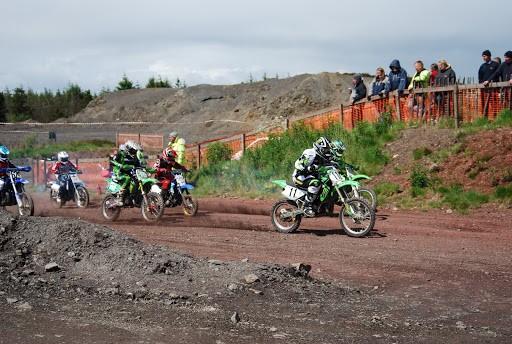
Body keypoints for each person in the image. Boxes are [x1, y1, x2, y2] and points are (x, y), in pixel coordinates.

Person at [292, 136, 332, 216]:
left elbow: (329, 163)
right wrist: (309, 168)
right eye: (325, 149)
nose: (327, 152)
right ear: (319, 148)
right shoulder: (310, 153)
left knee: (327, 182)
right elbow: (298, 164)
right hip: (300, 177)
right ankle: (307, 206)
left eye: (328, 150)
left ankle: (323, 205)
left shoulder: (321, 156)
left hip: (311, 177)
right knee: (315, 183)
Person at [110, 140, 145, 205]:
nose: (134, 152)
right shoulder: (121, 154)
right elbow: (112, 161)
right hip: (118, 172)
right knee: (127, 178)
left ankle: (133, 197)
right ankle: (120, 197)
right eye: (133, 150)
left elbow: (138, 165)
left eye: (135, 151)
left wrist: (144, 168)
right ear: (128, 149)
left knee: (136, 180)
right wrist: (118, 164)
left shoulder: (135, 157)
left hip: (128, 172)